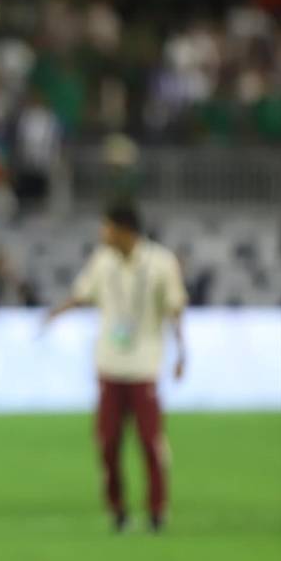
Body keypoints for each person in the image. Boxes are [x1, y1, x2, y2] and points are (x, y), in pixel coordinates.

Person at [44, 201, 187, 533]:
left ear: (124, 230)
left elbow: (175, 307)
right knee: (107, 442)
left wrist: (182, 352)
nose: (102, 233)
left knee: (151, 441)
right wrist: (56, 313)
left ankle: (156, 509)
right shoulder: (102, 260)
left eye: (106, 226)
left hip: (144, 365)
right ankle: (117, 509)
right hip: (109, 363)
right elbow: (82, 295)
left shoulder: (161, 262)